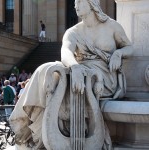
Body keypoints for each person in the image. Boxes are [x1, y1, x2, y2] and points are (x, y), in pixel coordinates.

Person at [9, 0, 133, 149]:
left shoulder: (112, 26)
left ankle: (56, 135)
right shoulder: (73, 31)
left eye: (80, 2)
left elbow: (129, 47)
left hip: (104, 77)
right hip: (80, 70)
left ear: (92, 3)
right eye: (75, 2)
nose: (76, 5)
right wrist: (74, 66)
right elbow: (66, 52)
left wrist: (118, 54)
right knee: (46, 69)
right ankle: (34, 130)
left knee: (70, 83)